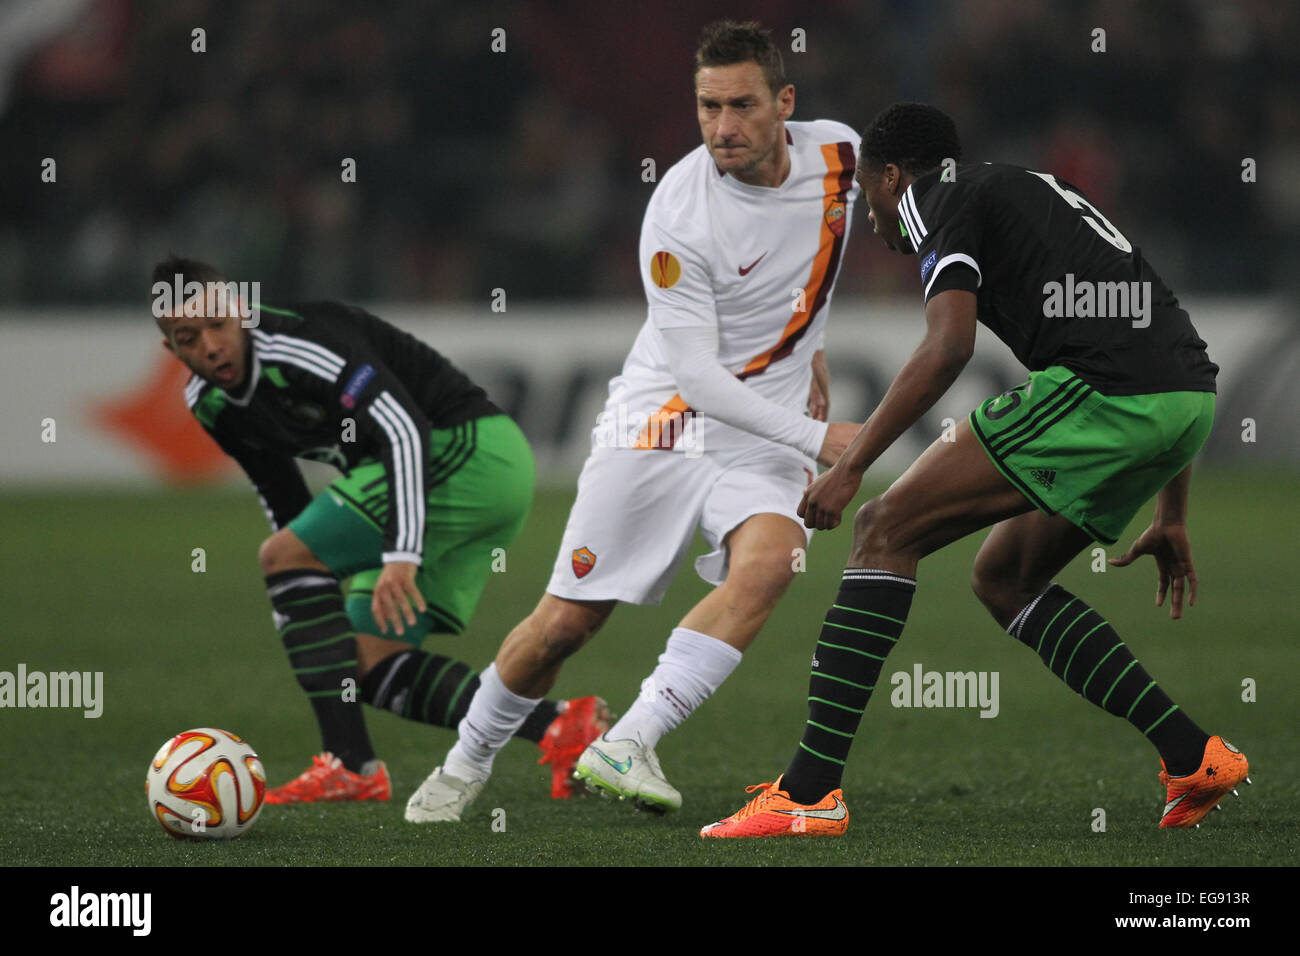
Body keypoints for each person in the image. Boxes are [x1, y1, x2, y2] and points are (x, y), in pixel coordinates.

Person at [701, 102, 1250, 839]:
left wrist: (850, 466)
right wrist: (1172, 509)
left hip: (1107, 391)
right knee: (1006, 579)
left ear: (893, 177)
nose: (872, 220)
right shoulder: (1032, 188)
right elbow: (1160, 322)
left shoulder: (933, 197)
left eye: (869, 197)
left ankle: (809, 794)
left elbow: (947, 347)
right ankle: (1194, 757)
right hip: (1184, 398)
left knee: (882, 528)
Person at [403, 19, 863, 823]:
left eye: (742, 105)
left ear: (784, 103)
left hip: (764, 431)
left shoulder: (841, 157)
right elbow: (698, 377)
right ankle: (463, 763)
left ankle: (632, 738)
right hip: (664, 424)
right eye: (707, 106)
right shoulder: (679, 214)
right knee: (564, 626)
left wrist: (809, 347)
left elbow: (815, 258)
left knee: (771, 563)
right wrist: (820, 438)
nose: (723, 127)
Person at [152, 255, 607, 805]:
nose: (210, 346)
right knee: (369, 663)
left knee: (284, 557)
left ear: (241, 313)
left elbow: (404, 428)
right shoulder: (213, 404)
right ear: (169, 348)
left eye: (218, 325)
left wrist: (399, 555)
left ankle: (347, 765)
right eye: (187, 336)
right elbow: (283, 496)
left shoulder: (300, 342)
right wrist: (305, 594)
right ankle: (562, 729)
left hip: (471, 453)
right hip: (422, 481)